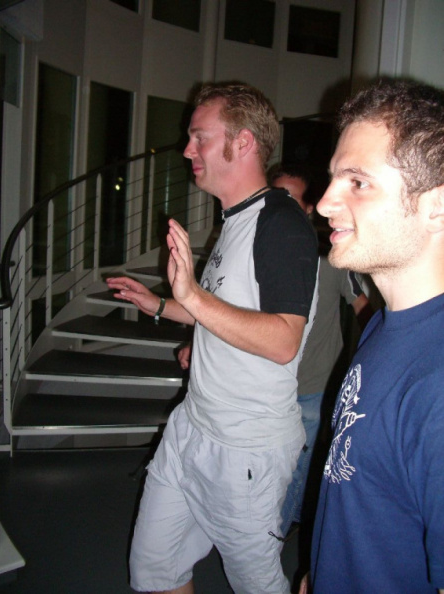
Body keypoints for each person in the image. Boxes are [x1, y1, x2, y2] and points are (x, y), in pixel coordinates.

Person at [107, 82, 318, 594]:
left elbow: (283, 341)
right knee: (155, 570)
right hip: (193, 426)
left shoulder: (281, 224)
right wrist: (160, 304)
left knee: (256, 585)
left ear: (242, 142)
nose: (188, 150)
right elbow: (224, 312)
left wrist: (193, 296)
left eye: (199, 136)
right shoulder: (235, 220)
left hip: (244, 448)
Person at [300, 79, 444, 594]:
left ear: (436, 206)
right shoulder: (383, 325)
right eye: (333, 178)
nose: (324, 203)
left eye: (358, 182)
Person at [269, 163, 372, 536]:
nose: (282, 207)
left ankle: (272, 541)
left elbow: (363, 308)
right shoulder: (257, 253)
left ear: (309, 208)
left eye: (291, 199)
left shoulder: (330, 257)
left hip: (313, 387)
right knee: (265, 469)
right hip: (265, 387)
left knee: (296, 470)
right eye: (275, 197)